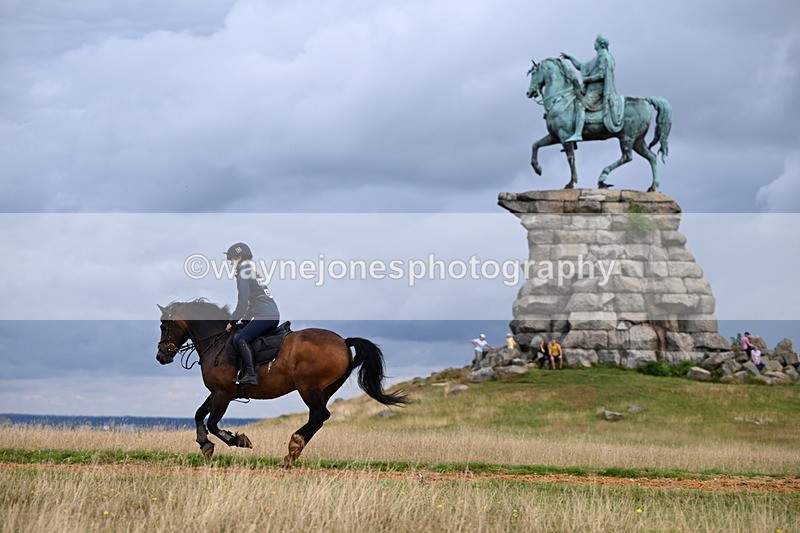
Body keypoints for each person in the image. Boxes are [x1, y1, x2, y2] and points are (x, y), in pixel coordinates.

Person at [224, 242, 280, 386]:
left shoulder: (244, 272)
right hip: (271, 315)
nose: (230, 263)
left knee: (239, 338)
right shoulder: (251, 271)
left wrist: (232, 321)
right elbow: (251, 302)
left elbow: (243, 301)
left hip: (265, 316)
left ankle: (251, 374)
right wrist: (245, 321)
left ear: (239, 257)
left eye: (231, 259)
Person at [560, 34, 624, 142]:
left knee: (581, 106)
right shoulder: (597, 58)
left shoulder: (604, 57)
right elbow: (581, 66)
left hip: (597, 91)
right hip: (591, 90)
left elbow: (601, 74)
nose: (593, 44)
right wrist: (570, 58)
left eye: (595, 42)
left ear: (599, 44)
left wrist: (587, 79)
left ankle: (578, 134)